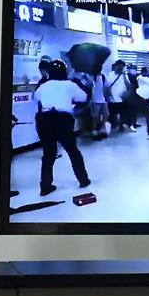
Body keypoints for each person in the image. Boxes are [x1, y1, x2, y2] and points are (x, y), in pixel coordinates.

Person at [33, 60, 91, 196]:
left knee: (48, 154)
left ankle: (45, 186)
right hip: (62, 120)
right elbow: (84, 97)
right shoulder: (70, 85)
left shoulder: (43, 86)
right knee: (73, 151)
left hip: (44, 120)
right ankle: (83, 180)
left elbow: (36, 99)